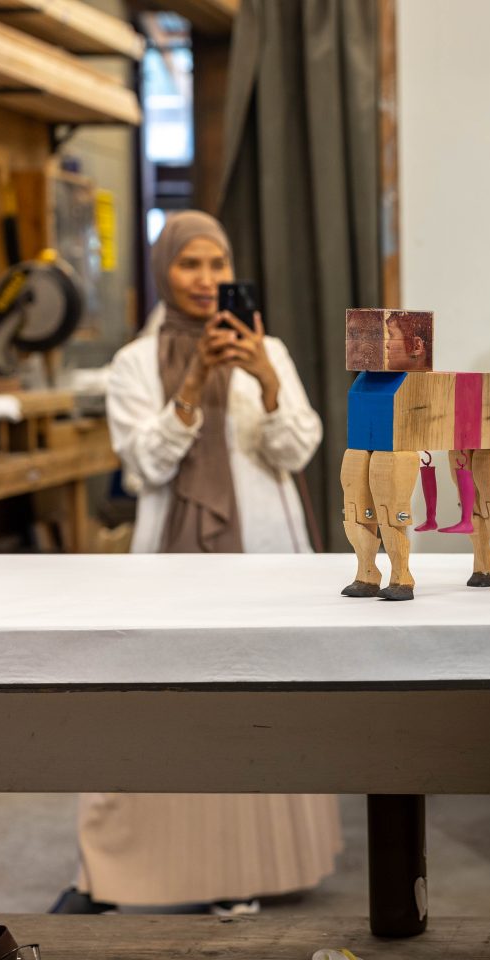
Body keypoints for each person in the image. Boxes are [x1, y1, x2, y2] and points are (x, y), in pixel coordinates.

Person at [52, 211, 340, 913]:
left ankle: (247, 872)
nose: (207, 280)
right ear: (164, 271)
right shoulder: (132, 364)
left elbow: (297, 449)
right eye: (190, 264)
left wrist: (266, 378)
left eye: (218, 264)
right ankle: (132, 872)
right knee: (166, 713)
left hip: (265, 555)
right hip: (170, 564)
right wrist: (194, 383)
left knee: (259, 711)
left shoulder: (269, 349)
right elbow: (145, 466)